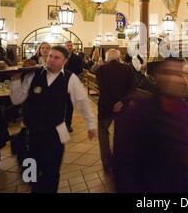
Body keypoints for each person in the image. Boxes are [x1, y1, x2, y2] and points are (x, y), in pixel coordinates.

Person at [10, 46, 96, 193]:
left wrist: (90, 123)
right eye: (50, 56)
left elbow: (81, 102)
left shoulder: (70, 78)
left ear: (65, 61)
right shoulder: (33, 75)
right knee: (30, 172)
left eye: (56, 57)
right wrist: (15, 78)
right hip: (31, 133)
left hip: (55, 132)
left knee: (51, 170)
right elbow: (17, 99)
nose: (51, 60)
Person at [113, 58, 188, 192]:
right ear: (158, 76)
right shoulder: (140, 111)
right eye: (168, 73)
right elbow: (123, 162)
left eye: (178, 74)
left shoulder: (183, 109)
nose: (174, 79)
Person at [94, 49, 134, 172]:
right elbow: (132, 89)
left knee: (103, 132)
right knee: (120, 134)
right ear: (118, 57)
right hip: (123, 107)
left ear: (107, 58)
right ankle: (119, 160)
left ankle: (107, 163)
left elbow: (102, 90)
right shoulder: (127, 68)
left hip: (105, 107)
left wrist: (111, 105)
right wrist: (121, 102)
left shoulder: (100, 69)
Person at [64, 41, 83, 132]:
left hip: (72, 84)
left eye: (71, 46)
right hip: (60, 83)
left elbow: (79, 70)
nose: (69, 47)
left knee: (69, 105)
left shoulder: (78, 58)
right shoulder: (60, 56)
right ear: (65, 47)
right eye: (68, 45)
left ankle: (68, 124)